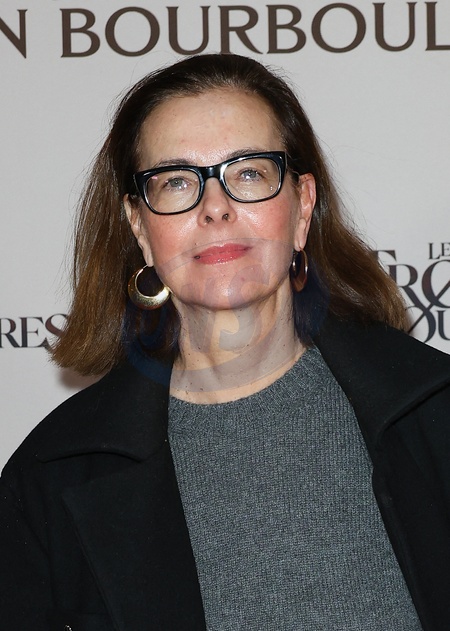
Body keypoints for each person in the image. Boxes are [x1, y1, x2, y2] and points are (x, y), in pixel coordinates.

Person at [1, 53, 450, 631]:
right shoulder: (52, 475)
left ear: (302, 207)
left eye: (249, 173)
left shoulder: (435, 412)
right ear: (140, 227)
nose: (215, 207)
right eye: (176, 181)